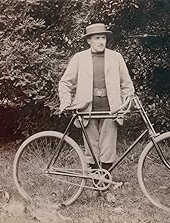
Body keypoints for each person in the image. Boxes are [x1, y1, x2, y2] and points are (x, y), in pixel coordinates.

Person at [58, 23, 135, 173]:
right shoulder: (79, 58)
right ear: (89, 40)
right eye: (97, 38)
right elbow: (65, 82)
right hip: (87, 109)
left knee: (108, 147)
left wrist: (128, 100)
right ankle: (95, 182)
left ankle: (104, 182)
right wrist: (66, 102)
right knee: (91, 148)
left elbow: (127, 84)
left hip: (111, 108)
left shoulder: (116, 57)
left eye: (103, 38)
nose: (101, 41)